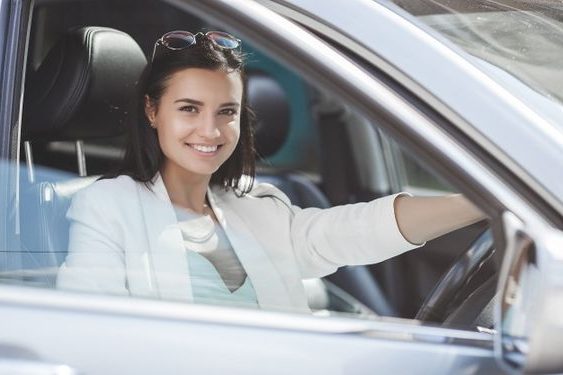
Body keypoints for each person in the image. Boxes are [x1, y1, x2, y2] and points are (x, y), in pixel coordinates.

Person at [56, 30, 484, 312]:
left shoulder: (258, 207)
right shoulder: (107, 206)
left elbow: (355, 230)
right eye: (189, 109)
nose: (210, 130)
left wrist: (484, 203)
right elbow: (90, 331)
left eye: (227, 111)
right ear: (152, 111)